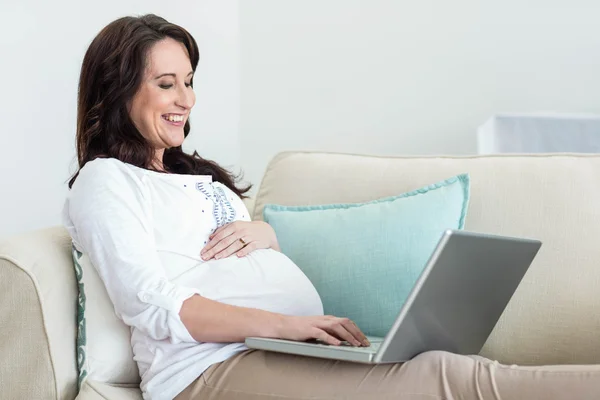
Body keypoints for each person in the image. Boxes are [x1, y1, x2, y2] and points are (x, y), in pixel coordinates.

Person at [63, 14, 600, 400]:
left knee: (448, 366)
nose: (187, 99)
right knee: (443, 378)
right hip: (207, 373)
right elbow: (153, 305)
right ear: (117, 92)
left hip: (278, 353)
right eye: (166, 84)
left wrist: (267, 236)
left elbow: (221, 248)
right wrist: (284, 325)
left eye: (189, 82)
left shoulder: (196, 176)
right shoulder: (106, 180)